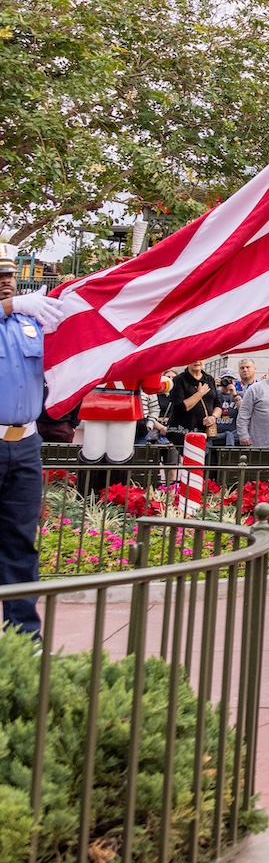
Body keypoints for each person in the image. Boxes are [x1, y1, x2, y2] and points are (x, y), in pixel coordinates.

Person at [0, 246, 73, 637]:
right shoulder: (12, 313)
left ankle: (24, 636)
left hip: (24, 444)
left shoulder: (29, 323)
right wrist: (10, 307)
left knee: (20, 541)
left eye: (9, 276)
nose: (6, 282)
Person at [167, 360, 220, 447]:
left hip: (204, 432)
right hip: (182, 433)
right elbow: (180, 407)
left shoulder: (209, 379)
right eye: (194, 358)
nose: (197, 361)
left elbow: (217, 404)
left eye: (201, 358)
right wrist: (200, 393)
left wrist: (213, 417)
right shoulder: (179, 380)